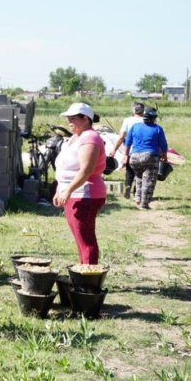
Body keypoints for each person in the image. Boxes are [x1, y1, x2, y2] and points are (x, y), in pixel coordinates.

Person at [52, 103, 107, 264]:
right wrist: (59, 189)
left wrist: (68, 190)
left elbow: (86, 170)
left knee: (85, 239)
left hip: (85, 194)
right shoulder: (76, 137)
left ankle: (89, 281)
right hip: (74, 192)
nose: (69, 121)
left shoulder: (90, 138)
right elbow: (64, 168)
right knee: (80, 238)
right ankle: (83, 275)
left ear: (86, 119)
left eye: (73, 118)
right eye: (68, 118)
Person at [125, 108, 168, 210]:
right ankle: (144, 204)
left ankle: (138, 199)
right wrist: (164, 156)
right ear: (154, 118)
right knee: (149, 180)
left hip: (134, 157)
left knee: (139, 178)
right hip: (150, 157)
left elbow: (127, 142)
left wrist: (126, 156)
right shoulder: (157, 129)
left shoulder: (135, 127)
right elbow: (163, 145)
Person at [110, 102, 145, 198]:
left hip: (130, 150)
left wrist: (114, 150)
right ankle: (136, 192)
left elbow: (121, 137)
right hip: (144, 150)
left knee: (129, 171)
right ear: (143, 110)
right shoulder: (147, 120)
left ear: (133, 110)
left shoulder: (128, 120)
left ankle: (128, 186)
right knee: (141, 173)